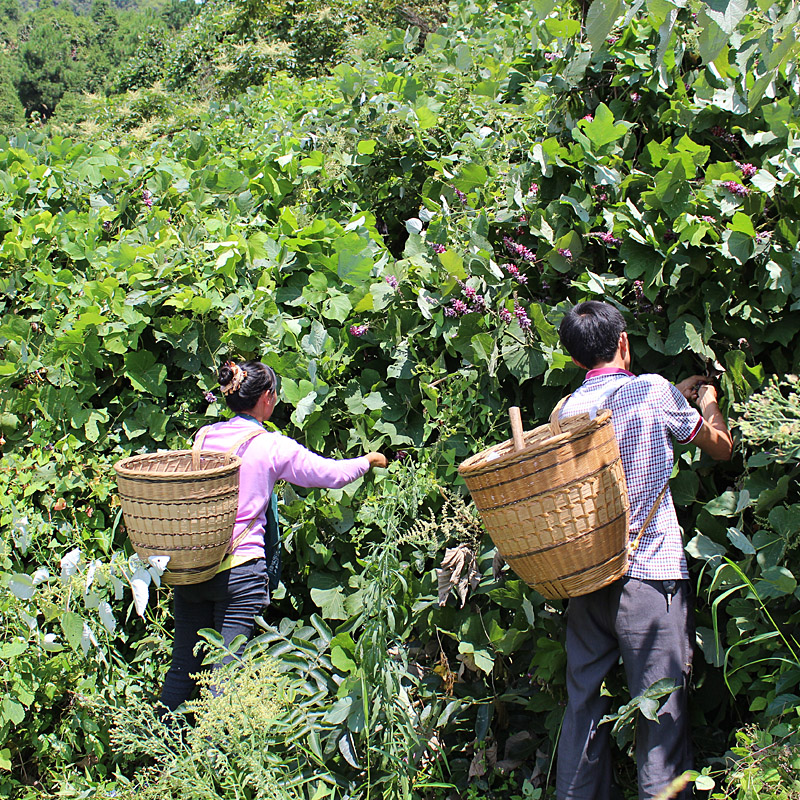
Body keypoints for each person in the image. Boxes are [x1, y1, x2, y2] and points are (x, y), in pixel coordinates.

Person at [555, 301, 732, 800]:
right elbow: (719, 446)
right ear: (624, 343)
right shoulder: (652, 392)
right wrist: (708, 403)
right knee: (660, 712)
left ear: (574, 361)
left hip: (588, 582)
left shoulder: (565, 412)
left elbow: (613, 419)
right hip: (649, 576)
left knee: (583, 709)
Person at [159, 359, 387, 712]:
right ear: (266, 398)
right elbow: (329, 474)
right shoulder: (270, 445)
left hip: (196, 566)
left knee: (181, 672)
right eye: (275, 395)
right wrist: (367, 460)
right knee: (224, 679)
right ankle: (212, 759)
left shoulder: (202, 437)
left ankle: (161, 753)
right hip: (240, 571)